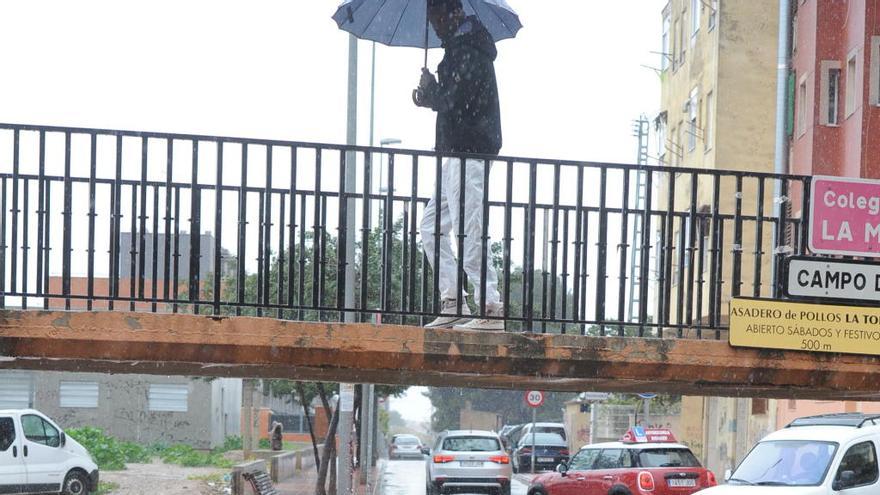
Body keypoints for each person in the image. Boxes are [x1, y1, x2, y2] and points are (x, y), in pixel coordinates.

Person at [413, 0, 503, 330]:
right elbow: (454, 99)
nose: (434, 24)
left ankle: (490, 306)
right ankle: (453, 302)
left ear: (453, 14)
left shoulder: (468, 49)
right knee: (432, 226)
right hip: (457, 152)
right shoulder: (459, 49)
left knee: (469, 226)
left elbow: (455, 100)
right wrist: (432, 94)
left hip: (470, 150)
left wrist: (431, 94)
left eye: (437, 16)